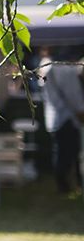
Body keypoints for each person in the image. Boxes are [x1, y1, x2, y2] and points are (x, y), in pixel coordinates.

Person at [40, 50, 84, 195]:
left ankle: (66, 185)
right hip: (66, 119)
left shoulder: (49, 67)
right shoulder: (67, 72)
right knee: (69, 153)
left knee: (62, 152)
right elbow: (74, 98)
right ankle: (66, 185)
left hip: (56, 118)